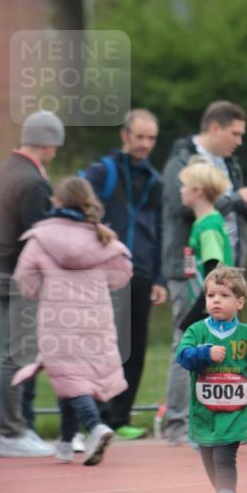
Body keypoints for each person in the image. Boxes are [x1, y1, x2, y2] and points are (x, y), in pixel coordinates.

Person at [162, 101, 247, 444]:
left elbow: (212, 269)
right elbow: (211, 268)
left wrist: (207, 302)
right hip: (201, 287)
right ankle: (184, 423)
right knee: (204, 350)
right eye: (235, 133)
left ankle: (210, 425)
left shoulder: (209, 225)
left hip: (210, 292)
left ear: (197, 191)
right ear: (216, 128)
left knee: (201, 349)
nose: (239, 141)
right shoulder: (182, 163)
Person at [12, 177, 133, 466]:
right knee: (77, 376)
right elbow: (122, 274)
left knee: (68, 375)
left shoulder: (41, 238)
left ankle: (94, 427)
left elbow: (24, 277)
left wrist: (43, 292)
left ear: (58, 201)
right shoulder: (102, 237)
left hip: (58, 318)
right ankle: (66, 442)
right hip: (96, 317)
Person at [0, 109, 66, 458]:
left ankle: (18, 428)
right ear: (47, 143)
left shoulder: (3, 171)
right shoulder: (33, 182)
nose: (56, 151)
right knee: (17, 353)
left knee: (13, 351)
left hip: (1, 268)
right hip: (23, 275)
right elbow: (41, 235)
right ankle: (14, 431)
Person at [83, 109, 167, 440]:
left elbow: (161, 230)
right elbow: (78, 206)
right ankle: (94, 416)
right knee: (101, 343)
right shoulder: (102, 172)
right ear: (125, 136)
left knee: (134, 345)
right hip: (103, 271)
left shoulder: (156, 181)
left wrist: (160, 277)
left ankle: (120, 417)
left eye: (151, 138)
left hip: (142, 270)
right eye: (140, 137)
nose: (145, 144)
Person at [176, 266, 247, 493]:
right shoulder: (197, 330)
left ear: (240, 301)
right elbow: (183, 356)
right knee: (209, 459)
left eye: (224, 295)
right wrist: (205, 353)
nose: (216, 301)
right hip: (204, 412)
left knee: (224, 456)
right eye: (211, 296)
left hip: (234, 412)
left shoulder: (246, 333)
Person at [178, 159, 233, 330]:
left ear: (198, 192)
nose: (181, 190)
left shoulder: (209, 227)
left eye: (185, 185)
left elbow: (214, 274)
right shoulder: (202, 223)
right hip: (206, 308)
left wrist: (194, 316)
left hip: (210, 312)